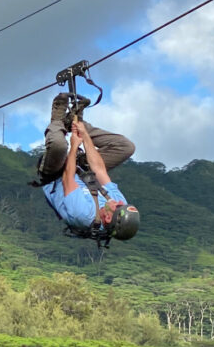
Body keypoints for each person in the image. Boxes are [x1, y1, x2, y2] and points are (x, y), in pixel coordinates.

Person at [34, 93, 140, 241]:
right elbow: (99, 170)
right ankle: (77, 123)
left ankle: (57, 121)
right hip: (82, 171)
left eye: (118, 207)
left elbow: (67, 178)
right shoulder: (117, 202)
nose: (120, 202)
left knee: (59, 145)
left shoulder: (83, 215)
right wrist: (84, 135)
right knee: (126, 147)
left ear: (108, 218)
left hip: (56, 175)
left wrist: (74, 146)